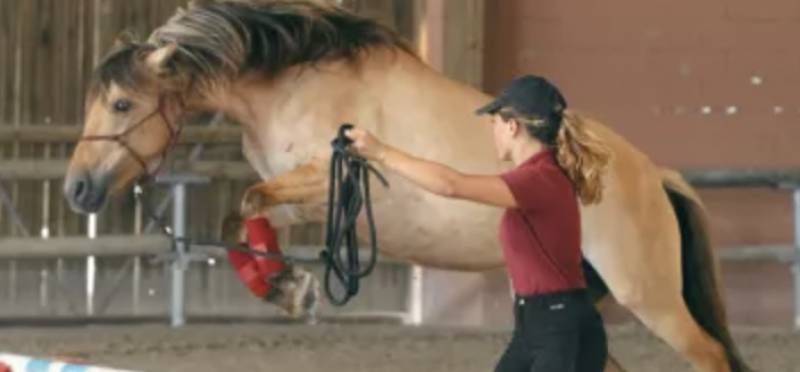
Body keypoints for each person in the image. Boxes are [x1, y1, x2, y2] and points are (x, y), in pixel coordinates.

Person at [345, 75, 611, 371]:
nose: (492, 131)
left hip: (559, 327)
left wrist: (381, 153)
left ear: (512, 126)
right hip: (538, 325)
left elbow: (451, 185)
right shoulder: (540, 175)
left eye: (494, 122)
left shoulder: (540, 178)